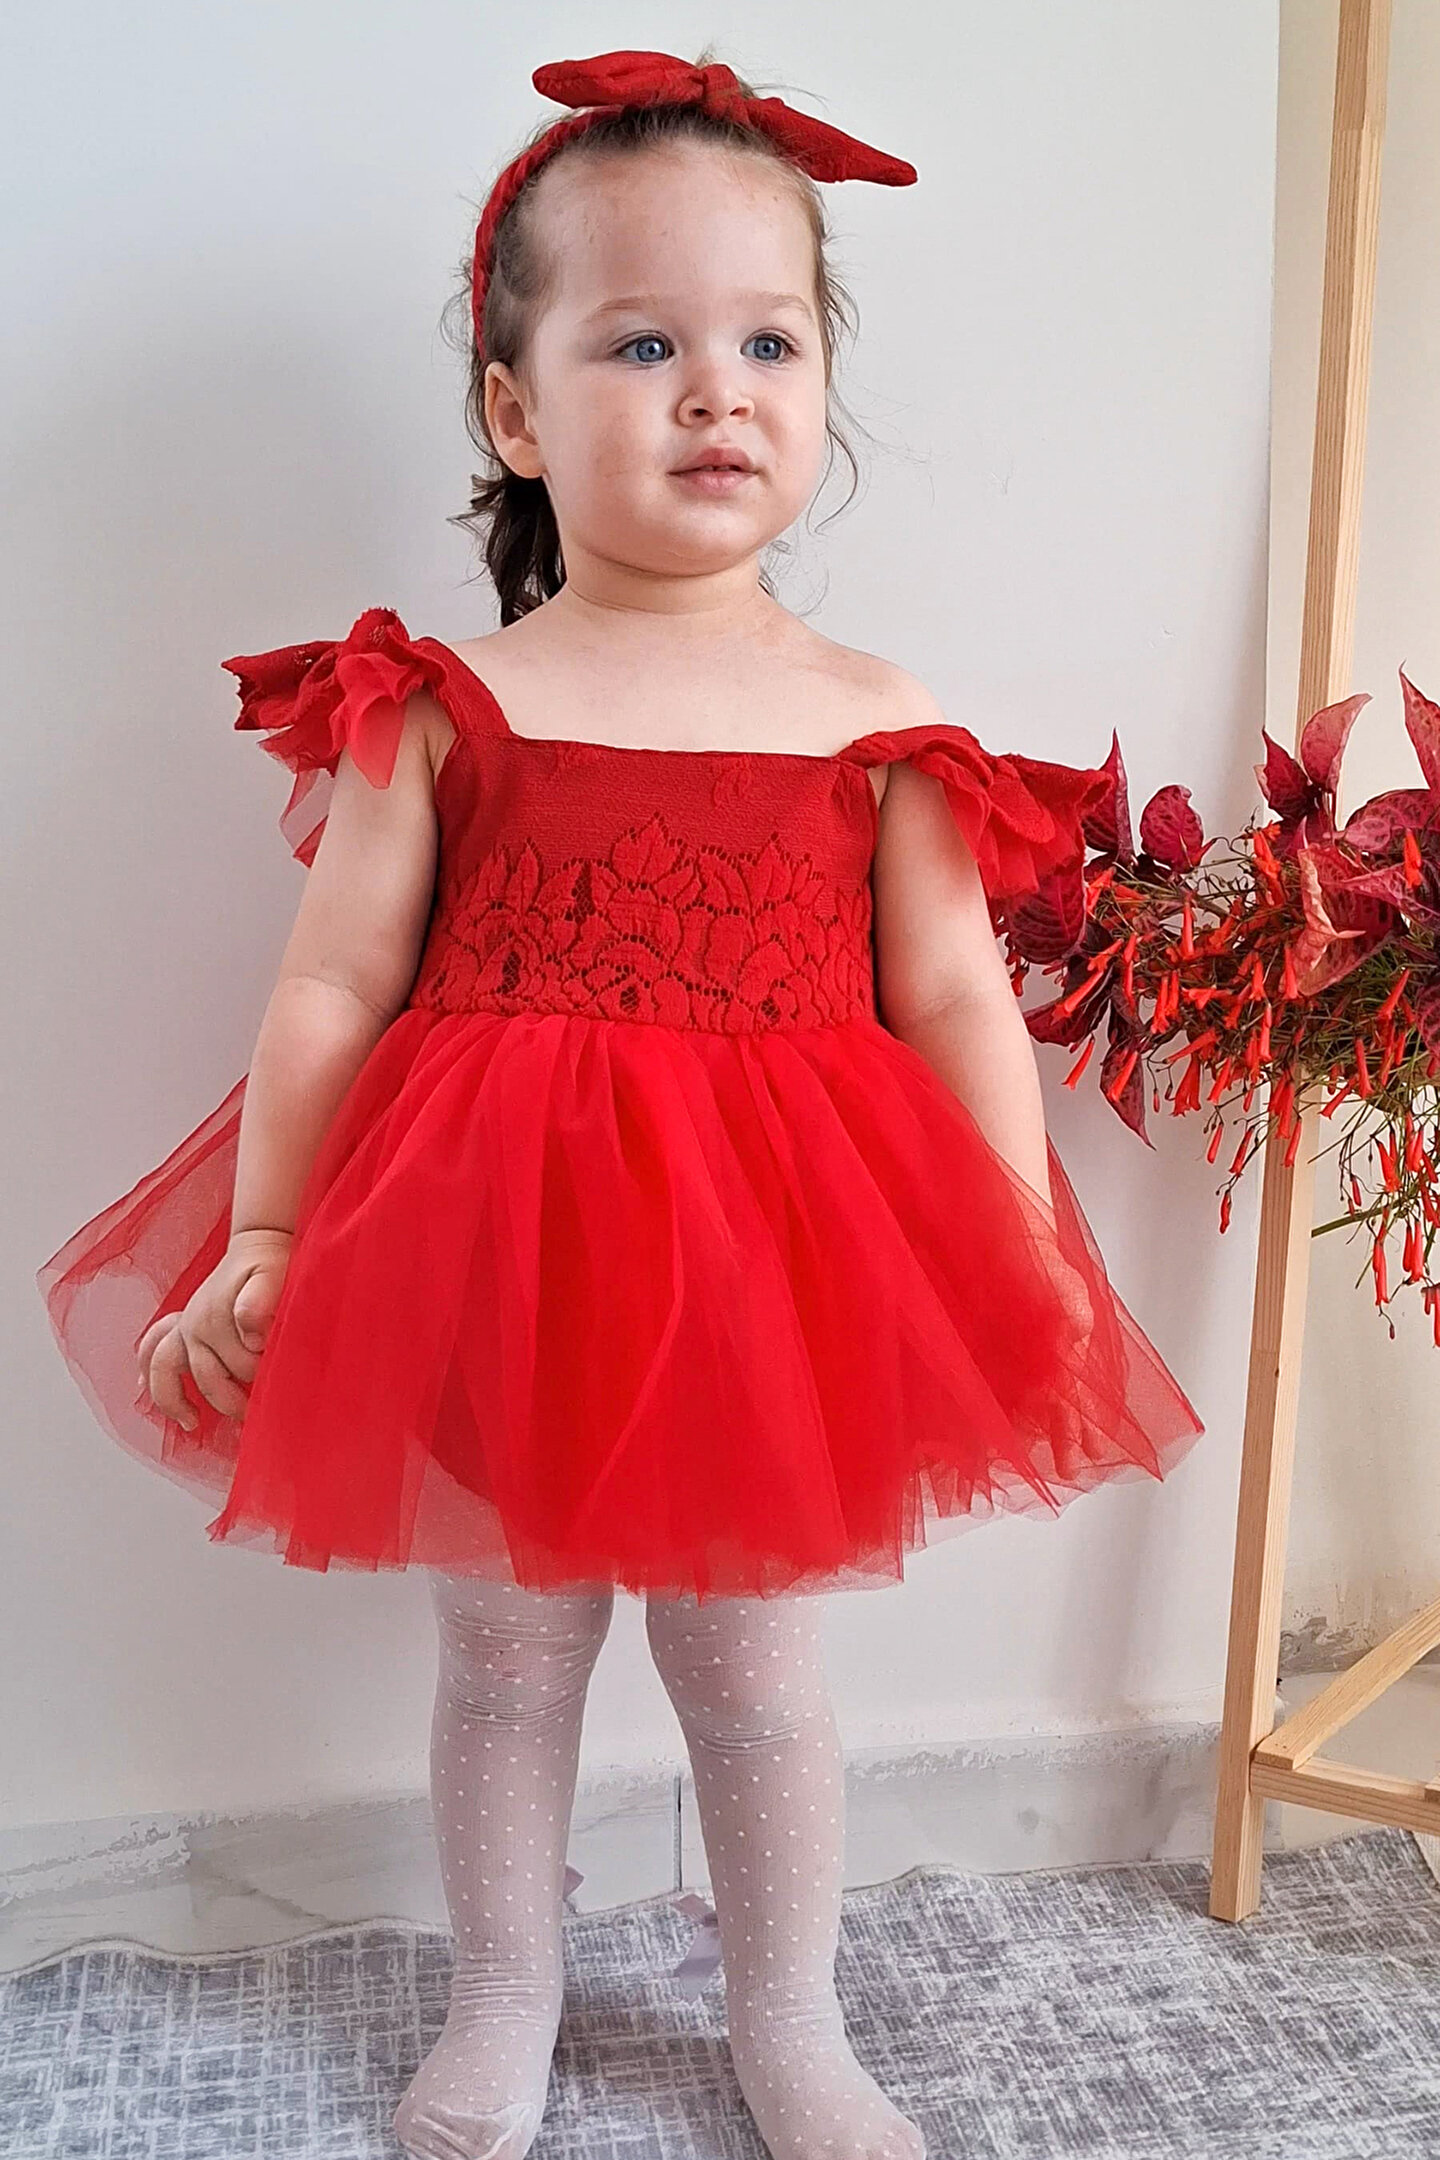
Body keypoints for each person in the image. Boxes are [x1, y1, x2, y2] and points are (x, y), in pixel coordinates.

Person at [36, 47, 1205, 2160]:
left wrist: (1021, 1236)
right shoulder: (445, 705)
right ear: (516, 410)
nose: (714, 395)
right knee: (506, 1653)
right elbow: (331, 987)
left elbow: (953, 992)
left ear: (821, 387)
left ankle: (790, 2017)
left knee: (749, 1668)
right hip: (489, 1247)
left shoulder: (877, 722)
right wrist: (270, 1230)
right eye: (644, 344)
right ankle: (507, 1987)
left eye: (769, 343)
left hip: (765, 1282)